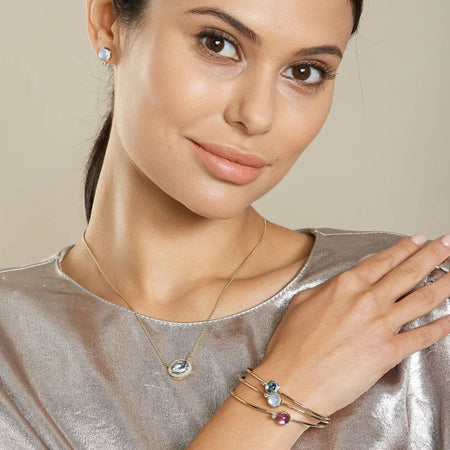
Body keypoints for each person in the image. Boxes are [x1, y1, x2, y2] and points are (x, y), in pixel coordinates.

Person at [0, 0, 449, 448]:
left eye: (304, 71)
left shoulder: (407, 307)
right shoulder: (10, 345)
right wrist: (286, 392)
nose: (256, 116)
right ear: (108, 22)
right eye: (218, 44)